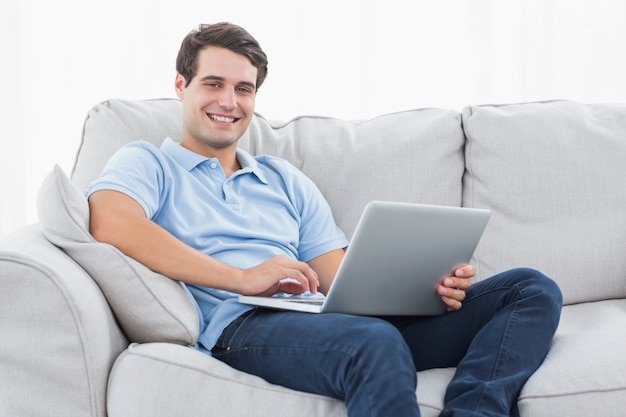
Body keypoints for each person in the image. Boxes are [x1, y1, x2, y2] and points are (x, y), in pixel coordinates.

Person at [87, 22, 563, 417]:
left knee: (530, 289)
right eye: (213, 84)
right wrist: (242, 278)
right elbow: (110, 223)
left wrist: (423, 290)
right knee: (372, 340)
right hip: (245, 327)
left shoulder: (283, 179)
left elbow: (340, 280)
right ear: (180, 86)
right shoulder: (148, 162)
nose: (228, 102)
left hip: (328, 320)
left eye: (243, 89)